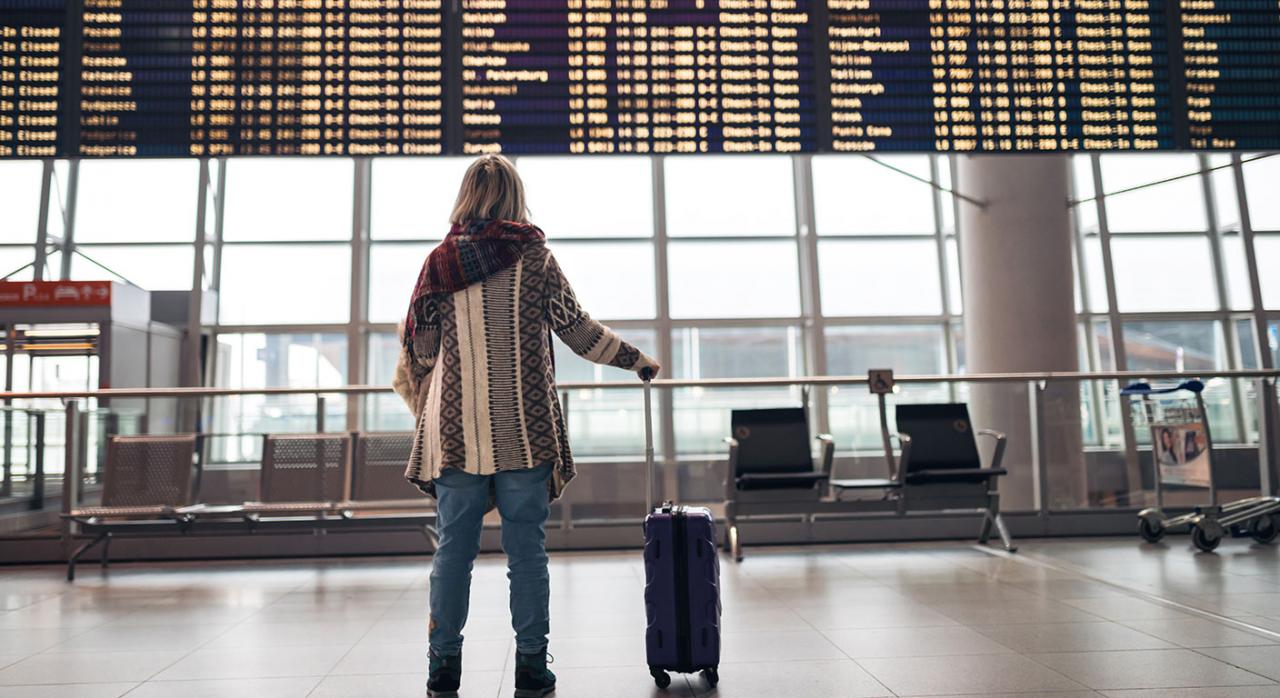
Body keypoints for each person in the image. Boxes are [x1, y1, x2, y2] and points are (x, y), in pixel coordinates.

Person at [393, 154, 660, 698]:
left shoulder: (440, 264)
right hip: (525, 427)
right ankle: (532, 667)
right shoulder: (534, 258)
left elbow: (420, 349)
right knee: (527, 553)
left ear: (466, 196)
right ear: (516, 197)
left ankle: (443, 667)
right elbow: (578, 330)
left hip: (454, 433)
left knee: (452, 552)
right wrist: (636, 359)